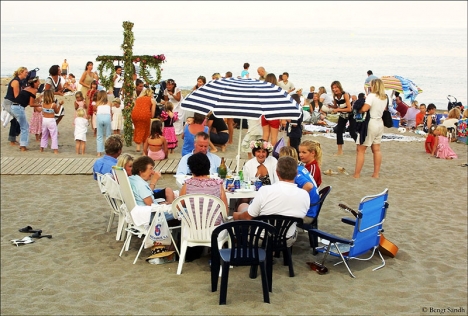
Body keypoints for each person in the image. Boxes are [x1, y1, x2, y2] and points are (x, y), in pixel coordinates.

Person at [233, 156, 309, 247]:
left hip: (261, 238)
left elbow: (248, 217)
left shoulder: (265, 191)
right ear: (296, 173)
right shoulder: (304, 195)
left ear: (277, 173)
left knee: (243, 209)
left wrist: (236, 215)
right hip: (286, 239)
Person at [179, 152, 228, 226]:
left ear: (191, 169)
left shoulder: (187, 185)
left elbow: (178, 207)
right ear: (208, 167)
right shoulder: (218, 185)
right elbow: (225, 212)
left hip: (192, 230)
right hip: (215, 230)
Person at [352, 78, 387, 179]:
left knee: (361, 149)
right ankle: (376, 173)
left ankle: (357, 174)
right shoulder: (384, 97)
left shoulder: (371, 96)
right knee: (376, 149)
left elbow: (364, 109)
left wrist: (359, 107)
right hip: (380, 123)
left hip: (370, 123)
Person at [279, 146, 320, 224]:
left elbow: (309, 186)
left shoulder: (296, 172)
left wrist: (297, 199)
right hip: (312, 210)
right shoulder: (300, 167)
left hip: (307, 214)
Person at [128, 156, 175, 222]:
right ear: (141, 171)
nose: (153, 172)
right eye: (151, 169)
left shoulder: (132, 179)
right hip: (150, 216)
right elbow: (151, 205)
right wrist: (164, 205)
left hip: (139, 213)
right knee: (184, 212)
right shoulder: (141, 185)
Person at [11, 76, 42, 151]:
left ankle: (22, 144)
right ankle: (23, 146)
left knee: (24, 126)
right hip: (19, 108)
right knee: (25, 127)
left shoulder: (26, 88)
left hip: (13, 106)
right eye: (38, 82)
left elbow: (27, 101)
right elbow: (31, 104)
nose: (39, 83)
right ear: (34, 83)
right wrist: (40, 105)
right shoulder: (34, 90)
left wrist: (38, 99)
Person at [3, 67, 28, 147]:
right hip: (9, 103)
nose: (27, 74)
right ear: (20, 72)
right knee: (15, 120)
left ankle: (13, 138)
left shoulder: (20, 81)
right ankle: (12, 140)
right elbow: (16, 96)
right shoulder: (16, 81)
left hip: (13, 103)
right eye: (25, 72)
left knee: (15, 120)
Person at [330, 81, 357, 155]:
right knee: (339, 131)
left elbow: (349, 109)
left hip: (351, 114)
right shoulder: (335, 96)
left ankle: (360, 146)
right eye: (333, 88)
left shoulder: (345, 95)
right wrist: (330, 106)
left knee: (352, 132)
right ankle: (340, 151)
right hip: (343, 114)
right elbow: (336, 106)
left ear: (339, 87)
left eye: (336, 87)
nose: (335, 89)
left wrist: (338, 110)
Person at [132, 88, 156, 152]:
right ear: (150, 94)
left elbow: (135, 107)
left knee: (138, 128)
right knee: (146, 131)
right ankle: (144, 150)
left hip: (135, 114)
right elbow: (153, 114)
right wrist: (151, 117)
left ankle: (138, 146)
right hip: (145, 114)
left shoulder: (138, 99)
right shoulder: (152, 100)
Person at [261, 73, 282, 146]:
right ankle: (272, 154)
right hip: (274, 115)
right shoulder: (277, 91)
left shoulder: (263, 91)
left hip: (264, 115)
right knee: (274, 137)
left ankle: (263, 152)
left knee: (265, 136)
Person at [95, 91, 112, 157]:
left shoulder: (98, 103)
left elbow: (95, 110)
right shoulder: (109, 103)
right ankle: (108, 152)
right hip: (107, 117)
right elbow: (110, 112)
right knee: (108, 135)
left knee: (99, 135)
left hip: (99, 117)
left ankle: (99, 152)